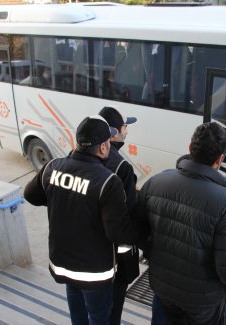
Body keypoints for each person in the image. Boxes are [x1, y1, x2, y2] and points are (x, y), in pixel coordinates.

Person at [23, 115, 143, 325]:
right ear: (104, 147)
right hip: (94, 273)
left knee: (77, 316)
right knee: (99, 318)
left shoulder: (53, 167)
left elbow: (30, 195)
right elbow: (118, 232)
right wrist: (142, 230)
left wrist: (60, 201)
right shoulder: (108, 181)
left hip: (64, 265)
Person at [135, 122, 226, 324]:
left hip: (163, 289)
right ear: (220, 159)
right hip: (202, 302)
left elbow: (139, 233)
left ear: (190, 148)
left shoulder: (156, 182)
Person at [98, 106, 140, 325]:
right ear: (114, 132)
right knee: (112, 312)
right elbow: (130, 215)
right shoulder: (121, 166)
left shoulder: (77, 158)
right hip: (116, 259)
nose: (127, 131)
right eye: (126, 126)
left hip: (88, 252)